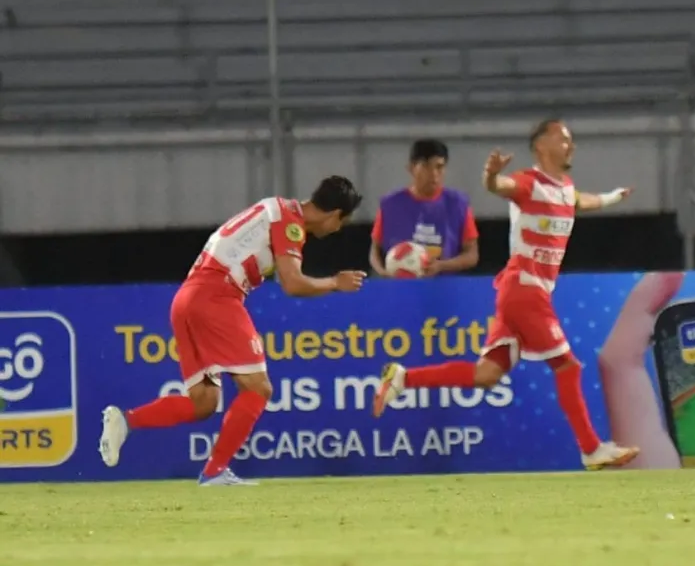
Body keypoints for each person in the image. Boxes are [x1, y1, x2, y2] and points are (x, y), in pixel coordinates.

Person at [372, 120, 640, 470]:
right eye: (562, 139)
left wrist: (612, 197)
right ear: (541, 147)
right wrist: (490, 177)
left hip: (520, 292)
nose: (570, 146)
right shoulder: (529, 184)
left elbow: (581, 201)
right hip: (525, 289)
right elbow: (501, 186)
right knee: (568, 365)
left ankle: (404, 378)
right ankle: (590, 448)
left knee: (486, 375)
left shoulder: (564, 188)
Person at [99, 176, 366, 486]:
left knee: (204, 402)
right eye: (341, 223)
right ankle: (214, 472)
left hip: (187, 298)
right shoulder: (290, 222)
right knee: (259, 388)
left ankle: (125, 420)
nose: (337, 230)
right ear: (335, 215)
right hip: (217, 296)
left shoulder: (274, 208)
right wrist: (335, 282)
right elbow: (292, 283)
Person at [369, 139, 479, 277]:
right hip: (400, 288)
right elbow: (374, 251)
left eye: (439, 167)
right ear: (411, 168)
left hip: (444, 289)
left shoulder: (458, 204)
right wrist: (383, 273)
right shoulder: (390, 204)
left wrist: (441, 266)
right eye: (426, 166)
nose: (433, 174)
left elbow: (472, 255)